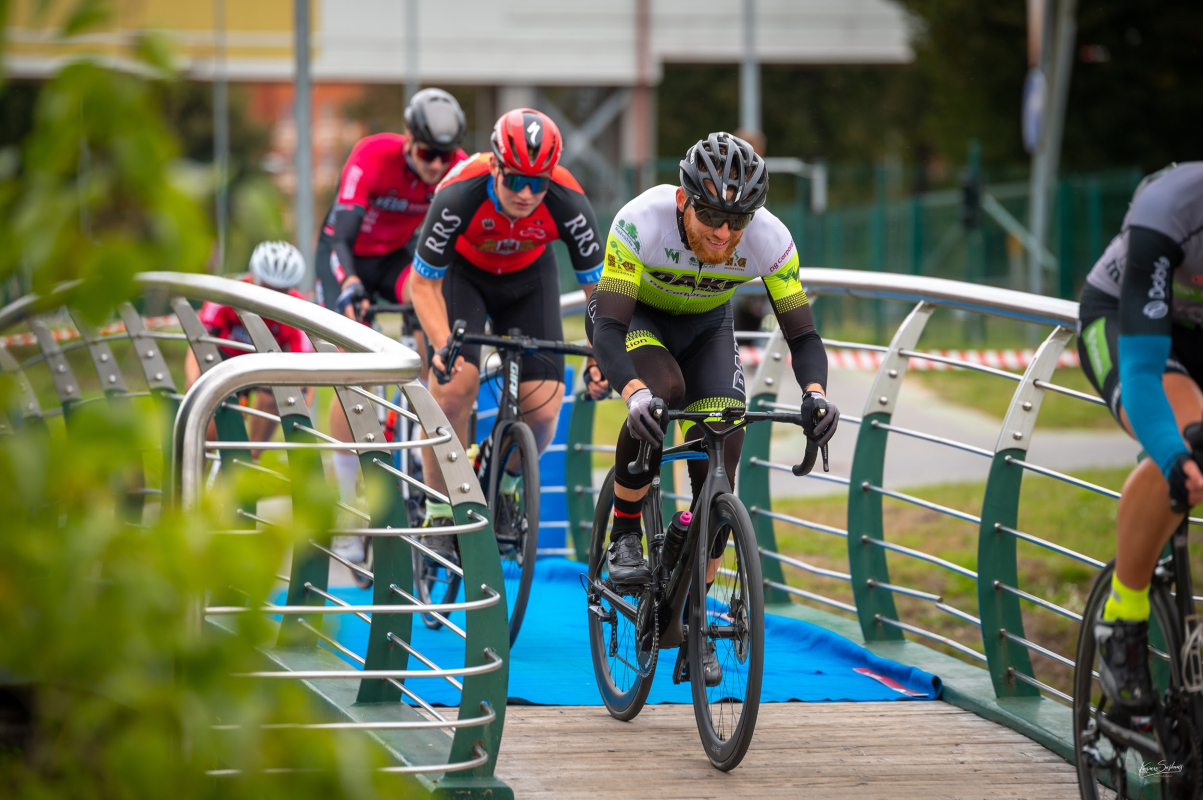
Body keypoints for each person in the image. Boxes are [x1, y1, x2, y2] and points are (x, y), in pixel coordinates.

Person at [586, 132, 840, 682]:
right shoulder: (641, 220)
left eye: (737, 221)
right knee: (662, 394)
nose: (724, 235)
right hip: (636, 322)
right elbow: (607, 327)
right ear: (684, 201)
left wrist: (816, 395)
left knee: (721, 461)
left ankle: (695, 616)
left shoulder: (772, 240)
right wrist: (631, 394)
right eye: (711, 218)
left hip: (707, 327)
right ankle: (625, 531)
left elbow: (803, 336)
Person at [409, 108, 609, 542]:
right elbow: (422, 284)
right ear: (495, 166)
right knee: (455, 384)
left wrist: (603, 355)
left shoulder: (568, 200)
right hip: (466, 275)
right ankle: (438, 507)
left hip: (529, 279)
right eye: (515, 179)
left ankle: (507, 487)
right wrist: (443, 346)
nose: (526, 193)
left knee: (544, 408)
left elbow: (600, 294)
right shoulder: (459, 192)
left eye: (537, 183)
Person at [313, 88, 469, 553]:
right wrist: (349, 288)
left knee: (431, 311)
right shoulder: (373, 155)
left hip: (396, 260)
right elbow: (340, 237)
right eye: (426, 154)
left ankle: (419, 449)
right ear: (407, 139)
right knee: (352, 364)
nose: (438, 166)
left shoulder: (456, 166)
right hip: (346, 257)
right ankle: (346, 502)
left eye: (445, 156)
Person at [1077, 162, 1203, 716]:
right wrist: (1175, 455)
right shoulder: (1171, 207)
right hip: (1129, 325)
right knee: (1187, 440)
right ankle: (1123, 622)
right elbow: (1143, 374)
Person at [183, 241, 315, 452]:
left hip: (264, 366)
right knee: (207, 439)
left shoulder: (297, 308)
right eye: (266, 288)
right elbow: (199, 342)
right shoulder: (228, 294)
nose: (271, 297)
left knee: (273, 399)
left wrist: (298, 406)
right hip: (223, 359)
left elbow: (306, 370)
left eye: (279, 291)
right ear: (253, 278)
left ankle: (250, 460)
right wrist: (194, 382)